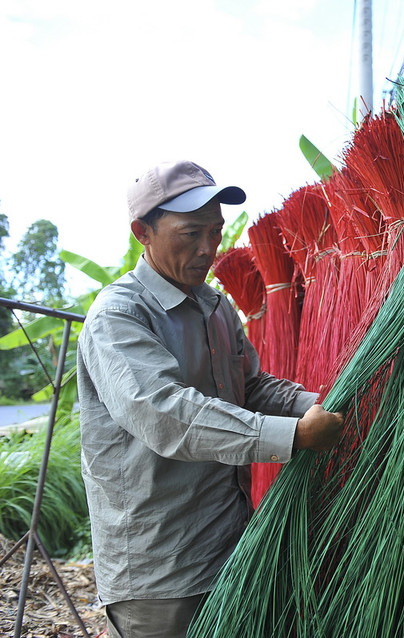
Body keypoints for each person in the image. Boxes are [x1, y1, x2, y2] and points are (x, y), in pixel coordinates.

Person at [77, 160, 344, 638]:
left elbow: (252, 387)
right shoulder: (118, 317)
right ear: (143, 231)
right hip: (162, 570)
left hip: (228, 542)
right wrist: (293, 436)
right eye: (191, 233)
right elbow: (165, 413)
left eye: (216, 232)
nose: (209, 249)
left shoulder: (215, 306)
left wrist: (315, 403)